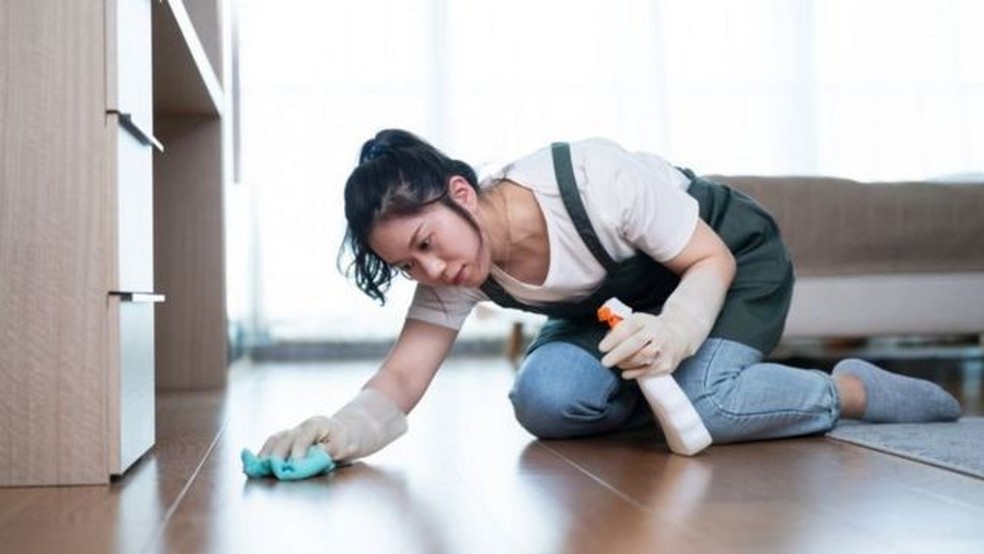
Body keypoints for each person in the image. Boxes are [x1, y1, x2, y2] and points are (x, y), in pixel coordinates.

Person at [257, 129, 961, 464]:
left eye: (427, 242)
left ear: (460, 194)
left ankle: (847, 391)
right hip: (617, 316)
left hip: (722, 264)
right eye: (408, 265)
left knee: (708, 406)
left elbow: (708, 260)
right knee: (545, 399)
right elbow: (403, 377)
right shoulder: (458, 270)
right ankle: (683, 391)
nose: (433, 270)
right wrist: (338, 432)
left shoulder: (591, 180)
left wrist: (676, 335)